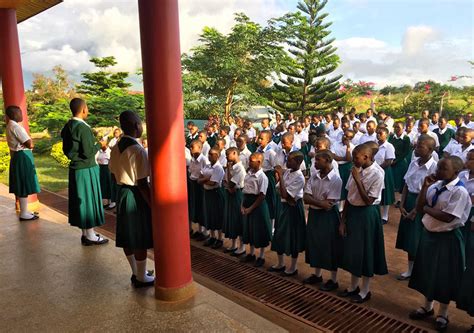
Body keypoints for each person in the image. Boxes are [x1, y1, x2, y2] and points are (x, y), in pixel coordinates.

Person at [409, 156, 471, 332]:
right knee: (428, 271)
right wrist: (424, 187)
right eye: (438, 168)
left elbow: (448, 216)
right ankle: (427, 307)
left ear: (456, 172)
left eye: (443, 169)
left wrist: (426, 209)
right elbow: (419, 205)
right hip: (430, 235)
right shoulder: (435, 186)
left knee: (444, 275)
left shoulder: (459, 192)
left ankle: (443, 314)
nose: (438, 171)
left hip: (447, 237)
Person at [108, 111, 154, 288]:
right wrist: (152, 205)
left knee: (127, 236)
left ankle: (136, 272)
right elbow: (142, 183)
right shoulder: (137, 150)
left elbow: (113, 176)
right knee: (139, 236)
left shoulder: (116, 147)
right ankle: (142, 277)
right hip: (135, 196)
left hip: (122, 193)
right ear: (136, 126)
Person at [338, 144, 388, 303]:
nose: (353, 160)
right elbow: (349, 196)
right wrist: (343, 220)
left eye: (356, 157)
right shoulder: (355, 169)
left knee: (366, 252)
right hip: (353, 212)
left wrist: (358, 179)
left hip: (367, 214)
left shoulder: (378, 174)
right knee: (354, 251)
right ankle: (353, 287)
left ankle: (365, 291)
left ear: (366, 157)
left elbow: (368, 200)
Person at [61, 98, 108, 245]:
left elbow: (67, 149)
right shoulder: (83, 128)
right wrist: (100, 144)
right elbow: (88, 152)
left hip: (76, 168)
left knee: (81, 201)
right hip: (86, 168)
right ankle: (91, 235)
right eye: (87, 108)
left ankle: (86, 234)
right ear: (83, 110)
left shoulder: (68, 126)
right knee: (88, 200)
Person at [395, 135, 437, 281]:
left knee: (418, 238)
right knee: (409, 239)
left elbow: (430, 192)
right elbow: (407, 183)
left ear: (430, 150)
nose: (416, 148)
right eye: (417, 145)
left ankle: (421, 271)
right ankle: (410, 270)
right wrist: (401, 203)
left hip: (423, 203)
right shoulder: (414, 162)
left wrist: (416, 210)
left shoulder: (434, 167)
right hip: (409, 201)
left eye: (420, 146)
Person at [303, 150, 342, 290]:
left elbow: (328, 205)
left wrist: (313, 201)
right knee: (315, 243)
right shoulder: (314, 176)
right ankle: (317, 274)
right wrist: (319, 202)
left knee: (330, 245)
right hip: (315, 214)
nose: (315, 162)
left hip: (328, 216)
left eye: (318, 159)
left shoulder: (336, 179)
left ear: (327, 160)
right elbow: (305, 197)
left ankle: (333, 279)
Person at [269, 151, 306, 276]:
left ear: (299, 162)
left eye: (290, 160)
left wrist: (280, 175)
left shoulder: (300, 177)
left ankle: (293, 266)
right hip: (285, 205)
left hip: (294, 208)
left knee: (293, 235)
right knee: (279, 232)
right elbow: (278, 189)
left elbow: (285, 193)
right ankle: (280, 263)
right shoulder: (288, 172)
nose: (287, 162)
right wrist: (282, 187)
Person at [5, 105, 40, 221]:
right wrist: (31, 143)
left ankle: (25, 211)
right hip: (22, 156)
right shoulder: (16, 127)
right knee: (23, 183)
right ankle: (24, 213)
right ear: (14, 114)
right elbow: (29, 143)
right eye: (19, 113)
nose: (22, 115)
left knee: (22, 183)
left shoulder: (10, 125)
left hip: (18, 156)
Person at [240, 152, 272, 267]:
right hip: (248, 201)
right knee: (250, 229)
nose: (249, 162)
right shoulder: (248, 174)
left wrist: (251, 208)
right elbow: (245, 191)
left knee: (259, 230)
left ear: (259, 162)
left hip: (257, 205)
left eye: (251, 160)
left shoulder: (262, 177)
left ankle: (261, 256)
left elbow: (262, 195)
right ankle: (251, 253)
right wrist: (242, 206)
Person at [198, 148, 225, 249]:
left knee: (217, 215)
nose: (209, 156)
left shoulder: (218, 168)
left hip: (215, 193)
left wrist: (204, 179)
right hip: (207, 192)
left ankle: (220, 238)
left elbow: (213, 182)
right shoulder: (207, 165)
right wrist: (206, 178)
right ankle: (212, 236)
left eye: (212, 154)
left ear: (217, 156)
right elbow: (199, 179)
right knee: (209, 214)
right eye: (209, 154)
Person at [222, 147, 247, 256]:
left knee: (238, 219)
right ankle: (233, 244)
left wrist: (228, 171)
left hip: (238, 195)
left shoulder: (239, 168)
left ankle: (242, 246)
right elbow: (224, 182)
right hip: (230, 194)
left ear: (235, 153)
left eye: (228, 155)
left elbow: (231, 184)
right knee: (231, 218)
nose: (227, 157)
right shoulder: (230, 166)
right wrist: (228, 184)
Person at [188, 140, 210, 240]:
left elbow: (207, 174)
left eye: (193, 147)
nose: (191, 149)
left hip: (201, 185)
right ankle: (200, 230)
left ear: (200, 148)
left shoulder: (204, 160)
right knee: (196, 206)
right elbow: (191, 172)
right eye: (190, 147)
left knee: (203, 206)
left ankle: (206, 231)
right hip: (193, 185)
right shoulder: (192, 159)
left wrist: (201, 180)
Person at [374, 127, 396, 224]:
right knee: (376, 191)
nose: (378, 135)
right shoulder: (374, 145)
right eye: (377, 133)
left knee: (385, 193)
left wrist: (378, 168)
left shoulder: (389, 146)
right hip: (374, 171)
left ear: (386, 135)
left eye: (380, 133)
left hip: (384, 171)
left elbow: (389, 161)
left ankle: (385, 216)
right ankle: (377, 214)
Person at [256, 131, 278, 222]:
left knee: (269, 199)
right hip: (259, 176)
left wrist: (275, 182)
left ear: (268, 140)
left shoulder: (270, 152)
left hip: (268, 176)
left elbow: (276, 168)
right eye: (259, 138)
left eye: (262, 139)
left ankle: (271, 225)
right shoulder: (258, 150)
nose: (259, 140)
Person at [331, 129, 355, 209]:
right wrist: (344, 158)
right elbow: (333, 156)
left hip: (346, 167)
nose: (344, 137)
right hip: (335, 166)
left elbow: (349, 159)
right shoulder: (335, 143)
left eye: (347, 136)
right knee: (335, 184)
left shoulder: (352, 147)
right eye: (344, 135)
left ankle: (341, 207)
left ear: (351, 138)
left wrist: (348, 147)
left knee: (344, 185)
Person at [389, 122, 411, 196]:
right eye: (395, 127)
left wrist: (396, 161)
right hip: (391, 161)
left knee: (400, 181)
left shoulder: (406, 138)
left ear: (403, 128)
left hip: (400, 162)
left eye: (398, 127)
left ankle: (399, 199)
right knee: (392, 180)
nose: (396, 129)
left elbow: (406, 152)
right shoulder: (391, 137)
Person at [97, 140, 114, 209]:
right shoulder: (99, 151)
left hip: (108, 168)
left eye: (102, 144)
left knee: (109, 184)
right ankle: (104, 201)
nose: (101, 145)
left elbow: (112, 161)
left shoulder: (109, 151)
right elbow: (97, 159)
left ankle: (111, 201)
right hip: (101, 168)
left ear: (106, 144)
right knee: (103, 184)